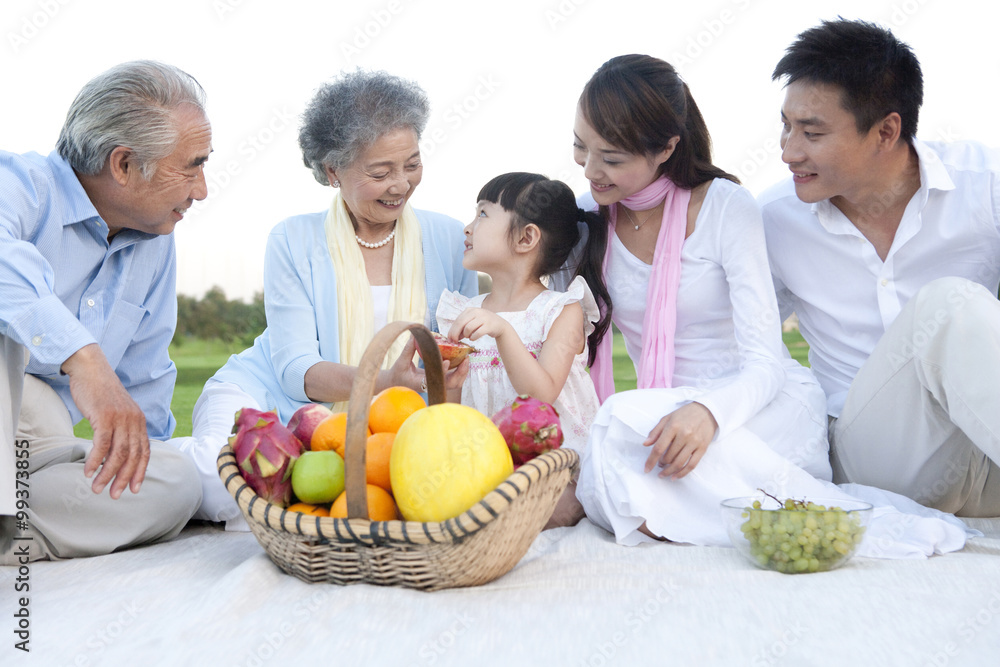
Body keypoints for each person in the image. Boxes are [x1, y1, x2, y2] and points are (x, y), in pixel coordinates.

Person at [173, 71, 478, 528]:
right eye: (380, 172)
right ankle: (157, 458)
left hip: (382, 421)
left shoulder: (451, 238)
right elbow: (296, 372)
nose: (401, 184)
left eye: (411, 164)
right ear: (333, 171)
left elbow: (458, 352)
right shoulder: (293, 239)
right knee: (222, 489)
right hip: (265, 398)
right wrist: (384, 379)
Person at [569, 55, 832, 546]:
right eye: (580, 149)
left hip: (752, 406)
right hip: (655, 416)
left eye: (612, 158)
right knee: (613, 433)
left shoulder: (726, 207)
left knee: (614, 437)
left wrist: (707, 412)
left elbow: (766, 363)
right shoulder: (588, 215)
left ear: (667, 147)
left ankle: (691, 506)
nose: (590, 171)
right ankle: (718, 508)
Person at [760, 19, 1000, 517]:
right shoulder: (775, 220)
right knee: (949, 305)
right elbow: (741, 344)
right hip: (877, 461)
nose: (788, 151)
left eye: (812, 132)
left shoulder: (985, 185)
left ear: (886, 131)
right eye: (786, 125)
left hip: (984, 452)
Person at [0, 61, 208, 563]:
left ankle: (9, 529)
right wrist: (85, 360)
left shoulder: (156, 241)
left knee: (177, 481)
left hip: (38, 453)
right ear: (123, 164)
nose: (201, 190)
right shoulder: (20, 185)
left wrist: (146, 459)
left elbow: (145, 375)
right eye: (192, 165)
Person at [436, 172, 610, 453]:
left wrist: (503, 331)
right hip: (488, 466)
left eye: (483, 213)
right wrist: (440, 377)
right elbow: (452, 409)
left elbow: (541, 396)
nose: (467, 228)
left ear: (526, 237)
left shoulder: (560, 311)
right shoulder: (464, 313)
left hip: (554, 465)